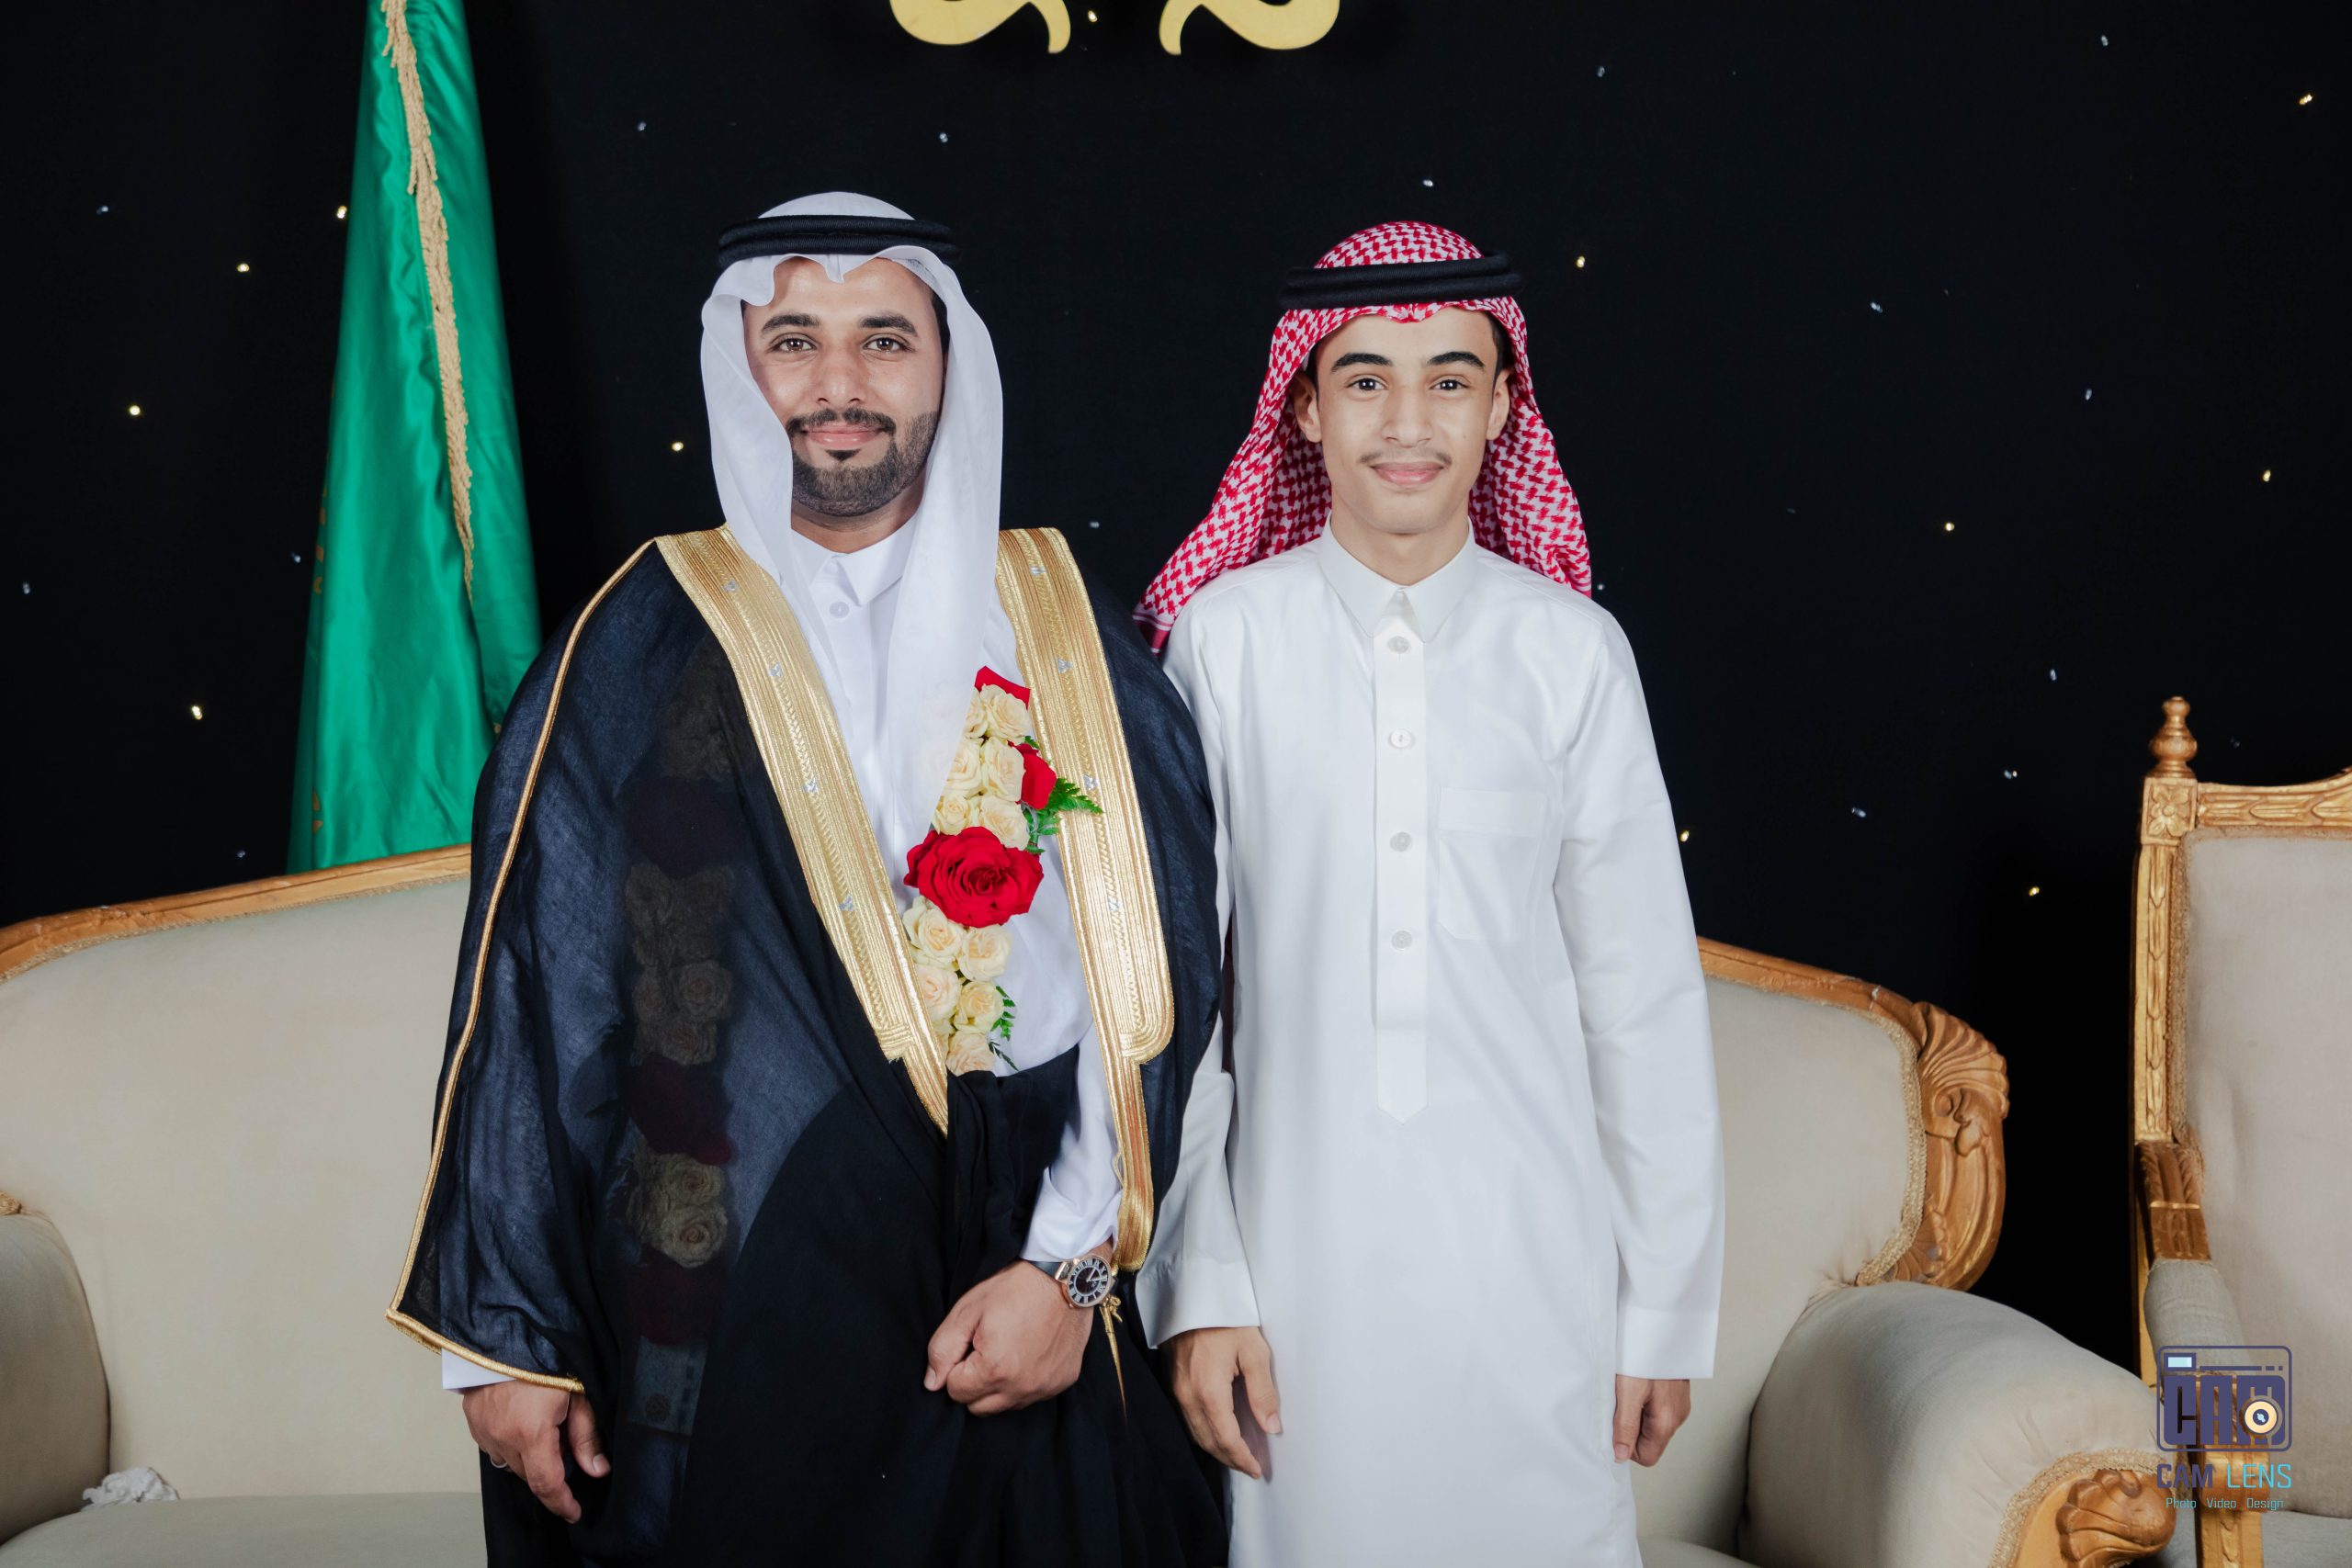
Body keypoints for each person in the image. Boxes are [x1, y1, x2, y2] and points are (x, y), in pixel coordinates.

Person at [387, 192, 1223, 1567]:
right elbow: (534, 996)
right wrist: (503, 1338)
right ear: (741, 366)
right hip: (727, 1299)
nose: (839, 385)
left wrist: (1071, 1272)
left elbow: (1156, 973)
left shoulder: (1065, 628)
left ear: (948, 365)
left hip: (1017, 1288)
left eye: (885, 340)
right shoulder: (635, 641)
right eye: (794, 343)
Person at [1132, 220, 1727, 1566]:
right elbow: (1178, 1003)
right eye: (1366, 380)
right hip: (1294, 1277)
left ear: (1504, 405)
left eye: (1451, 379)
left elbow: (1641, 1003)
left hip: (1535, 1276)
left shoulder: (1571, 655)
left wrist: (1662, 1314)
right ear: (1303, 407)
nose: (1409, 422)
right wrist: (1202, 1283)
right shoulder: (1226, 644)